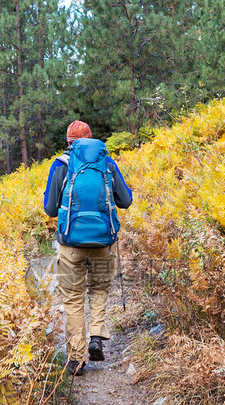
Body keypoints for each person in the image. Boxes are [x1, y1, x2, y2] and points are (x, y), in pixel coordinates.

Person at [43, 120, 132, 376]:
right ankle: (96, 335)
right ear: (91, 137)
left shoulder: (60, 165)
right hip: (103, 242)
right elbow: (125, 201)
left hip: (70, 244)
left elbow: (50, 209)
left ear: (68, 142)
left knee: (72, 299)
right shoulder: (107, 163)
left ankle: (77, 359)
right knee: (99, 289)